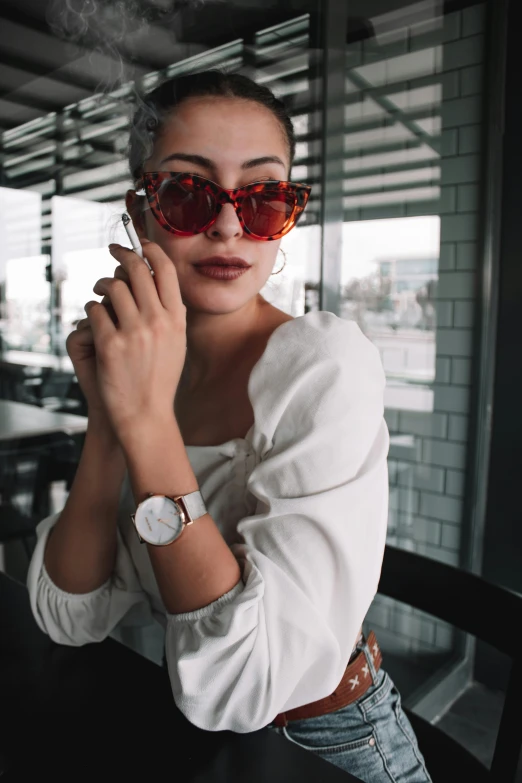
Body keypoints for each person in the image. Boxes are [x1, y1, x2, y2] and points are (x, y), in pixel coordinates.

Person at [26, 70, 431, 782]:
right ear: (140, 212)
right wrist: (110, 419)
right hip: (196, 740)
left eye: (264, 196)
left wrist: (147, 421)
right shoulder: (154, 371)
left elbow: (246, 685)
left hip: (333, 747)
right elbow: (71, 615)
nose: (229, 226)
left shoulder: (324, 366)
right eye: (188, 191)